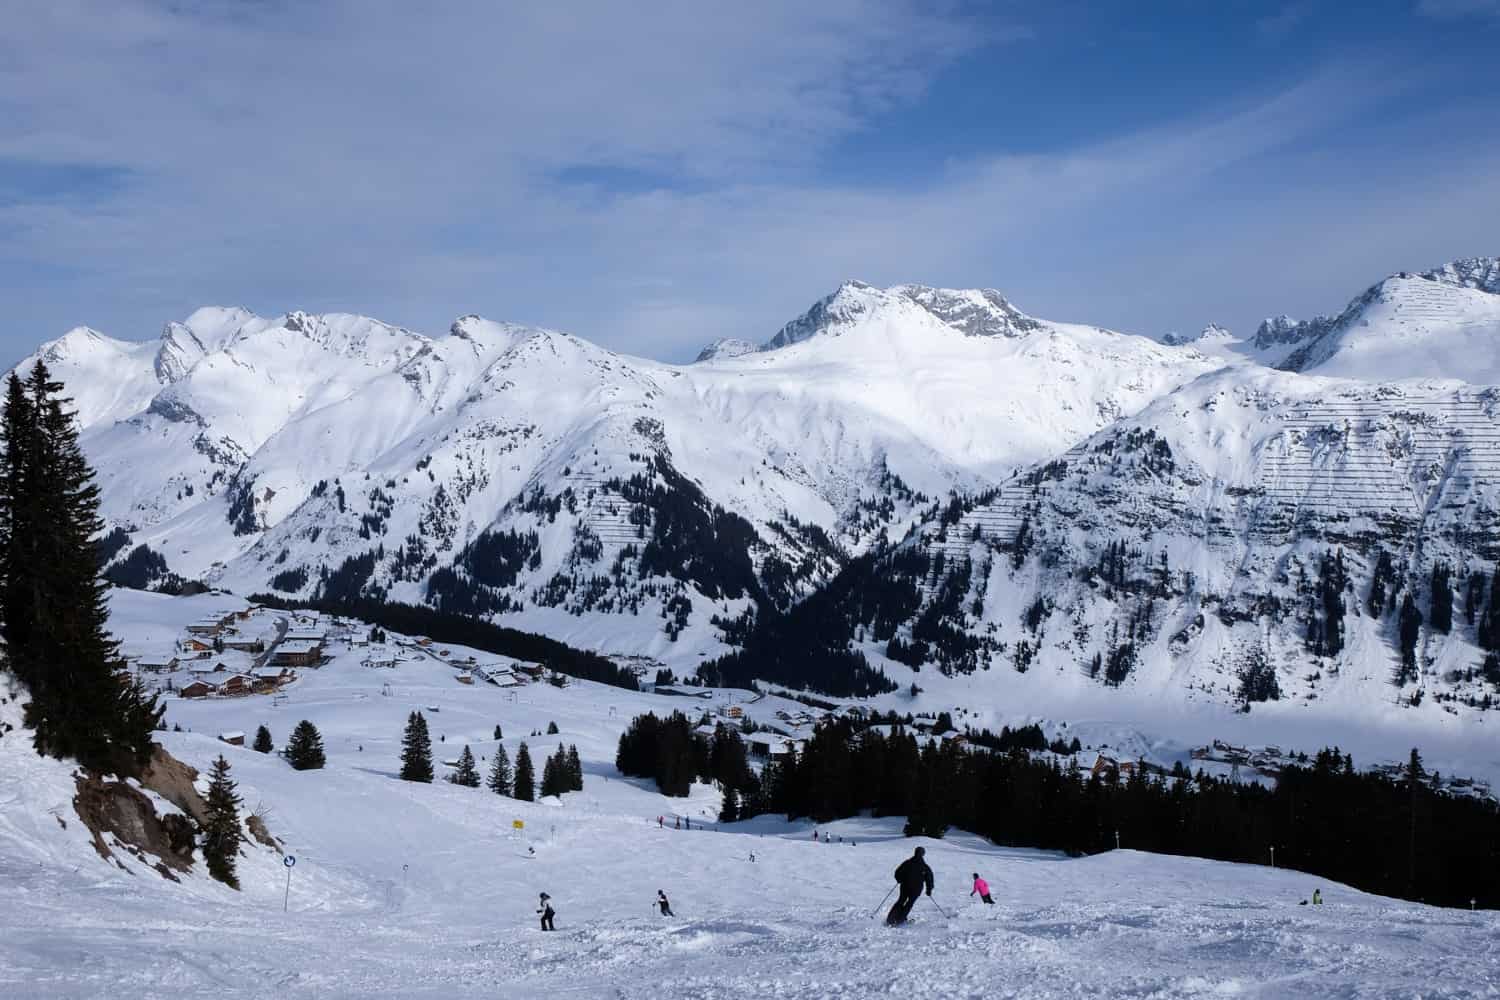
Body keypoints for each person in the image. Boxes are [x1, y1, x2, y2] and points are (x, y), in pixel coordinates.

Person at [886, 846, 934, 926]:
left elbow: (897, 872)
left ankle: (891, 918)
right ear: (923, 854)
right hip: (916, 888)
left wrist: (899, 879)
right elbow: (929, 879)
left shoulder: (907, 863)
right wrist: (929, 890)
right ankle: (900, 919)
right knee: (909, 903)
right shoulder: (924, 866)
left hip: (905, 886)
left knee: (901, 900)